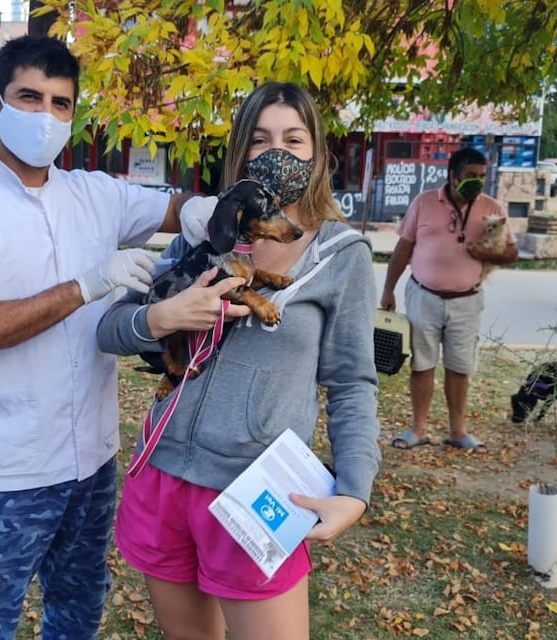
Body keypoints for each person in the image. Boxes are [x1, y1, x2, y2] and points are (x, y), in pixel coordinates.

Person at [0, 35, 209, 639]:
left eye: (60, 103)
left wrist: (205, 210)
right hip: (2, 469)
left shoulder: (94, 194)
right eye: (30, 97)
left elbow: (174, 208)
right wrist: (86, 285)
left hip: (89, 461)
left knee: (77, 612)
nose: (45, 115)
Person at [96, 82, 381, 640]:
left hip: (257, 492)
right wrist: (162, 317)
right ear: (240, 153)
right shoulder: (202, 236)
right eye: (260, 140)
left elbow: (352, 382)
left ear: (317, 153)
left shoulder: (341, 256)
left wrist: (355, 487)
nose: (277, 153)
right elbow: (111, 330)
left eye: (293, 140)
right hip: (163, 475)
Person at [380, 147, 518, 452]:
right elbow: (403, 249)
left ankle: (457, 431)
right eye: (470, 175)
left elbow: (512, 253)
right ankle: (418, 429)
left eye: (482, 176)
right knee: (422, 364)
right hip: (423, 296)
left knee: (459, 367)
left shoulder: (492, 207)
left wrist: (486, 253)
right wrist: (388, 289)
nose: (476, 182)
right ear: (452, 176)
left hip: (467, 300)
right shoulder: (424, 202)